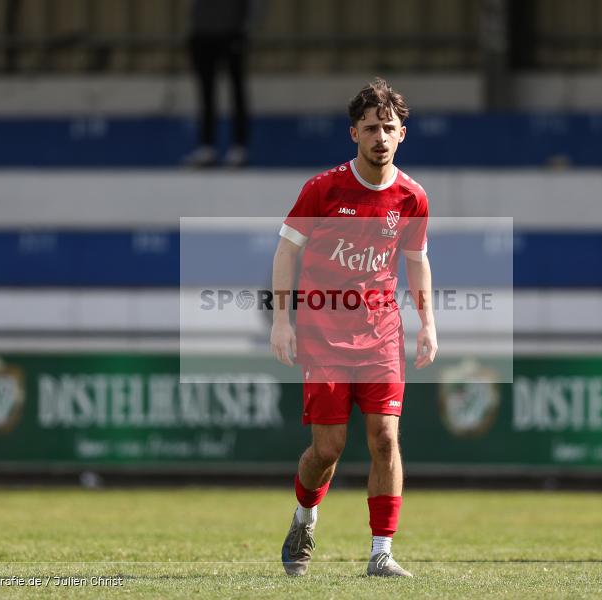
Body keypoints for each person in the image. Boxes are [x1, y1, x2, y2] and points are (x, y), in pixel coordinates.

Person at [270, 78, 437, 578]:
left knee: (386, 438)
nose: (380, 137)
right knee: (329, 449)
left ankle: (381, 553)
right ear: (354, 134)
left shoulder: (411, 197)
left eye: (389, 128)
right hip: (323, 333)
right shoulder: (323, 189)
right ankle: (305, 516)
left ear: (402, 134)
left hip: (382, 333)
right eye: (371, 128)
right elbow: (286, 252)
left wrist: (428, 323)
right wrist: (282, 320)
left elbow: (417, 261)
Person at [184, 0, 258, 168]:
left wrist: (246, 26)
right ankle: (207, 147)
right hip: (202, 33)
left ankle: (239, 147)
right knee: (206, 92)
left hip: (232, 32)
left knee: (237, 90)